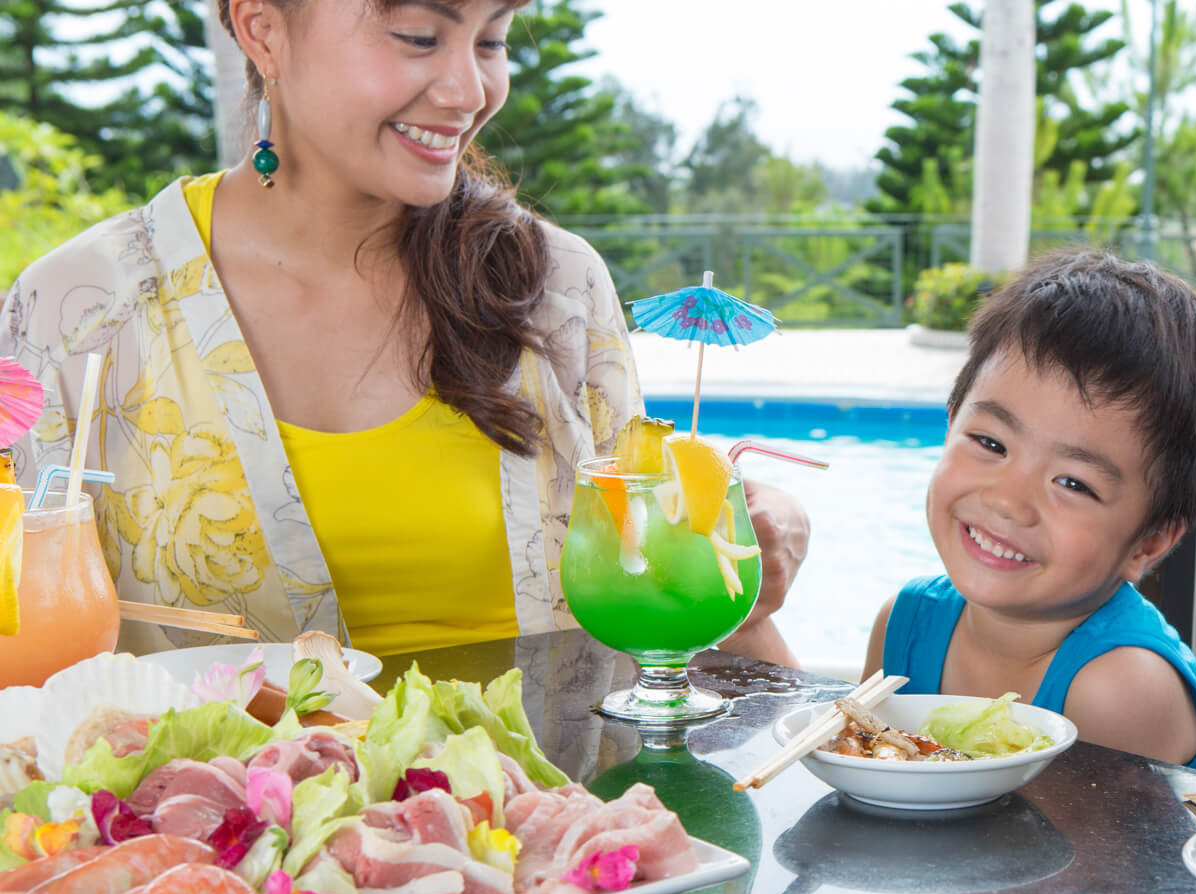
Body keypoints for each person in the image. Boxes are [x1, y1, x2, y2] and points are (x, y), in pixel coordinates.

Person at [0, 0, 805, 664]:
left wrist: (733, 552)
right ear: (260, 29)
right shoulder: (79, 311)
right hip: (212, 848)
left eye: (491, 39)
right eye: (419, 36)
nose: (467, 90)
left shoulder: (555, 288)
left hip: (551, 837)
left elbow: (646, 585)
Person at [865, 250, 1196, 778]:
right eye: (990, 442)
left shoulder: (1118, 689)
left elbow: (1064, 861)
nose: (1008, 499)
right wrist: (756, 621)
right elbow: (845, 766)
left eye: (1073, 483)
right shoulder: (906, 623)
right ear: (951, 423)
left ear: (1149, 544)